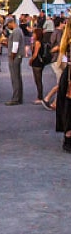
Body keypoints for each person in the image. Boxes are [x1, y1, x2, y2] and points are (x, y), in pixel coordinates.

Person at [55, 22, 71, 152]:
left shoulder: (67, 40)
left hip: (68, 75)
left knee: (68, 106)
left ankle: (67, 137)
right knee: (69, 107)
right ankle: (68, 138)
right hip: (70, 76)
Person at [5, 17, 25, 106]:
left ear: (11, 22)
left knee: (15, 78)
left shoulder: (16, 31)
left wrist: (12, 55)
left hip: (15, 57)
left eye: (7, 24)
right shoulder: (19, 30)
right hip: (18, 56)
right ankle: (19, 97)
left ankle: (15, 98)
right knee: (18, 77)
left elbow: (15, 45)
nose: (7, 26)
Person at [29, 28, 46, 104]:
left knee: (38, 80)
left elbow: (35, 54)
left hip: (37, 63)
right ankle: (40, 96)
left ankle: (40, 97)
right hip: (40, 63)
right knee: (38, 80)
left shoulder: (37, 43)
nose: (33, 35)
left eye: (34, 34)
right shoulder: (39, 42)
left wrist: (31, 60)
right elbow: (31, 49)